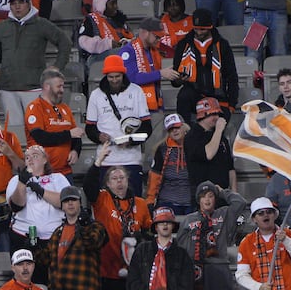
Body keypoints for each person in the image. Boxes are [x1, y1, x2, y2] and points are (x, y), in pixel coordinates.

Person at [0, 0, 71, 132]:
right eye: (13, 4)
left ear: (29, 4)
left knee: (37, 129)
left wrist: (57, 68)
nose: (17, 7)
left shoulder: (41, 24)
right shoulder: (3, 26)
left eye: (21, 3)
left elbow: (64, 42)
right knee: (14, 132)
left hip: (34, 87)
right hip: (8, 88)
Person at [85, 148, 150, 290]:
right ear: (108, 183)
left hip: (130, 273)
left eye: (122, 178)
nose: (119, 181)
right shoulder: (102, 198)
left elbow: (148, 234)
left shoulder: (141, 204)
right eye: (114, 179)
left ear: (128, 180)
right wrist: (98, 162)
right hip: (104, 271)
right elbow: (88, 187)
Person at [175, 180, 248, 290]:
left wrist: (222, 192)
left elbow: (240, 202)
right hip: (196, 269)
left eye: (211, 195)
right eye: (203, 196)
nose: (207, 199)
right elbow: (181, 247)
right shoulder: (188, 220)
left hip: (219, 267)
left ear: (215, 199)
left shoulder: (224, 214)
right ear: (198, 200)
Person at [35, 186, 107, 290]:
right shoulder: (57, 232)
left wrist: (84, 226)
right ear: (62, 206)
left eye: (73, 200)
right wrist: (33, 247)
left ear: (80, 203)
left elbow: (93, 243)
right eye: (66, 201)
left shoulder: (95, 226)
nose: (70, 203)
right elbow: (45, 260)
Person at [86, 53, 151, 196]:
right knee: (106, 204)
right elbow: (89, 128)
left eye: (117, 76)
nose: (114, 80)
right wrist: (99, 136)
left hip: (131, 159)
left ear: (123, 74)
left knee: (134, 201)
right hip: (106, 159)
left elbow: (147, 128)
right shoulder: (96, 95)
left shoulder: (136, 91)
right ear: (106, 76)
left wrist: (130, 141)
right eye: (111, 77)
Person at [236, 197, 291, 290]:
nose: (266, 215)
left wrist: (286, 240)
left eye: (269, 212)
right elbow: (241, 275)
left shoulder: (288, 234)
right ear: (254, 219)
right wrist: (259, 287)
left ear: (274, 215)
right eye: (261, 213)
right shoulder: (247, 242)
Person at [171, 9, 239, 122]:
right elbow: (175, 81)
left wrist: (231, 104)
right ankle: (185, 132)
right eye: (196, 29)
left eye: (202, 29)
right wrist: (178, 80)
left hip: (217, 96)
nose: (199, 32)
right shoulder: (183, 44)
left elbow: (231, 76)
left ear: (210, 27)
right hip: (193, 95)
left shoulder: (222, 45)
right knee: (183, 95)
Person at [7, 145, 68, 268]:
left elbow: (65, 203)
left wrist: (40, 190)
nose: (30, 160)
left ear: (45, 160)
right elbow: (16, 206)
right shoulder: (16, 180)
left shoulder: (58, 178)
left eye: (35, 156)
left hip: (55, 238)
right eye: (27, 157)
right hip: (24, 237)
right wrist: (22, 183)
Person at [127, 207, 193, 290]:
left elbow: (186, 288)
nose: (165, 225)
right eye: (161, 222)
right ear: (156, 227)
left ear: (173, 226)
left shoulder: (182, 255)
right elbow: (132, 281)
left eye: (168, 222)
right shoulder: (142, 250)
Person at [25, 67, 82, 177]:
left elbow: (76, 135)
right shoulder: (35, 107)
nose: (62, 90)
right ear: (47, 87)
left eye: (62, 86)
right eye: (59, 86)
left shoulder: (65, 108)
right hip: (42, 174)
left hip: (65, 172)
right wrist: (69, 134)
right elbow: (41, 137)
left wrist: (75, 150)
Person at [122, 17, 175, 114]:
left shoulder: (154, 51)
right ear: (145, 32)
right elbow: (131, 78)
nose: (159, 39)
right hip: (135, 108)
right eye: (157, 36)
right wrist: (160, 73)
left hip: (155, 105)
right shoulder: (128, 51)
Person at [185, 97, 236, 195]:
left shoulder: (221, 137)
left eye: (218, 114)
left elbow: (230, 168)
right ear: (202, 116)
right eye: (213, 114)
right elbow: (209, 154)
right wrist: (218, 130)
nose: (217, 117)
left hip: (223, 194)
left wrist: (234, 194)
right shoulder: (192, 137)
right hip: (203, 196)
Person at [145, 113, 192, 215]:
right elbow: (154, 176)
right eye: (171, 129)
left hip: (191, 201)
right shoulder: (162, 149)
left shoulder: (194, 146)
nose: (174, 131)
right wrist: (150, 199)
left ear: (184, 127)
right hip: (167, 200)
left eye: (177, 127)